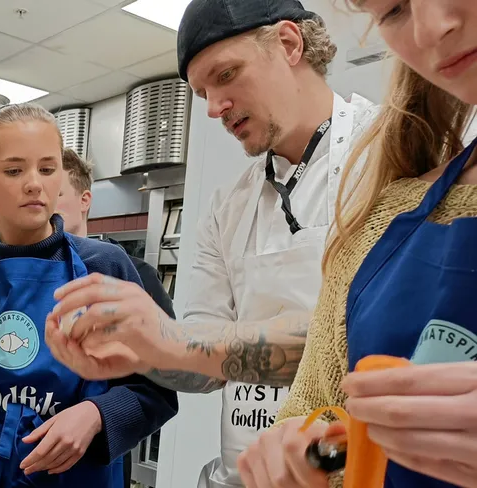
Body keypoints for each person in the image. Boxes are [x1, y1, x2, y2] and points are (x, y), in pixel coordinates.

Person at [42, 1, 378, 487]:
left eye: (226, 75)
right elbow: (205, 367)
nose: (214, 107)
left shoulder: (388, 155)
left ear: (289, 43)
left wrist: (179, 343)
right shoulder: (231, 207)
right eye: (202, 91)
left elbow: (362, 336)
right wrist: (147, 353)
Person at [237, 0, 477, 486]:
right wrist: (300, 453)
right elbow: (316, 413)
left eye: (227, 76)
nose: (432, 28)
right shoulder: (384, 216)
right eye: (392, 10)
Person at [0, 103, 178, 488]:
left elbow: (160, 387)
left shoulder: (108, 268)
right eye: (14, 170)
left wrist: (96, 414)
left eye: (48, 169)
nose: (34, 183)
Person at [55, 146, 178, 487]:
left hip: (94, 466)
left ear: (85, 199)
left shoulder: (132, 276)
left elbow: (161, 384)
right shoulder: (3, 275)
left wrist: (100, 414)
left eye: (58, 191)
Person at [56, 147, 176, 320]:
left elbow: (167, 343)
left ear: (84, 200)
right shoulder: (35, 270)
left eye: (57, 194)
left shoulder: (137, 274)